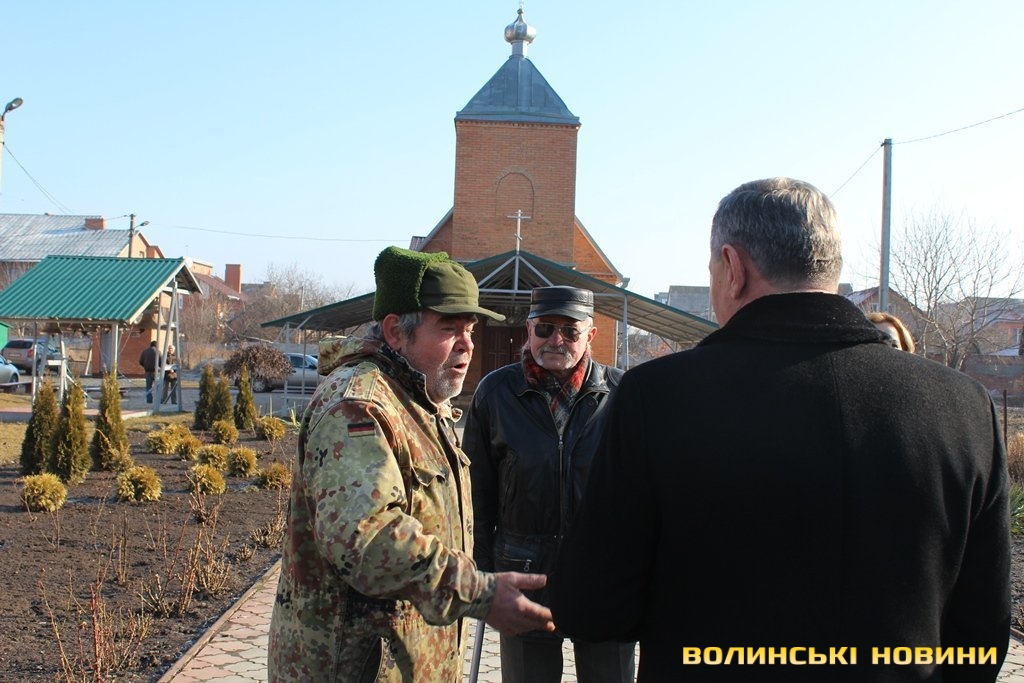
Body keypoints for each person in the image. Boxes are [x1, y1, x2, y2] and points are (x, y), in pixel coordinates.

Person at [549, 178, 1010, 681]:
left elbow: (595, 607)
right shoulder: (964, 406)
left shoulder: (656, 396)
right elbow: (982, 632)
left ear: (733, 268)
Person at [268, 246, 555, 682]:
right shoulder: (359, 406)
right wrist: (477, 592)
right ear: (395, 332)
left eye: (470, 329)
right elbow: (368, 538)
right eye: (449, 329)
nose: (467, 345)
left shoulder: (418, 399)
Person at [463, 285, 635, 683]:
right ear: (529, 329)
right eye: (544, 328)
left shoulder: (623, 394)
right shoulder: (496, 393)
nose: (556, 340)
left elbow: (642, 492)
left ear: (591, 334)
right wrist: (482, 578)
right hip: (523, 576)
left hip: (603, 577)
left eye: (570, 331)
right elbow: (476, 494)